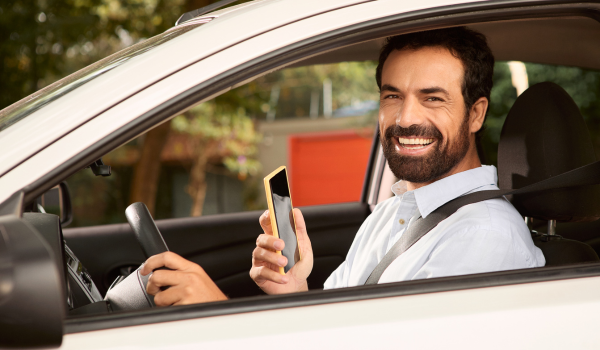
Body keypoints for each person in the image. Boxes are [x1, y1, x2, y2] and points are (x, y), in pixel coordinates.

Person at [140, 27, 546, 305]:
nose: (405, 118)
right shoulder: (393, 210)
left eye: (432, 98)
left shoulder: (484, 237)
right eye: (392, 96)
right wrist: (295, 290)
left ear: (476, 115)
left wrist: (216, 313)